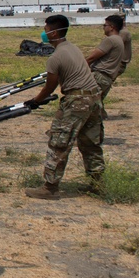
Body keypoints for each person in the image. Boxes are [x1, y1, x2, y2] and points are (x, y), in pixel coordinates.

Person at [23, 14, 105, 199]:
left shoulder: (56, 56)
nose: (44, 33)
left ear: (53, 32)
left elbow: (50, 86)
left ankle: (50, 187)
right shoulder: (73, 48)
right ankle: (98, 184)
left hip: (77, 101)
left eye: (46, 30)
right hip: (93, 97)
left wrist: (35, 100)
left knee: (59, 142)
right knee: (90, 142)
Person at [84, 15, 125, 107]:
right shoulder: (119, 39)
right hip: (107, 78)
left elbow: (92, 58)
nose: (103, 28)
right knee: (96, 104)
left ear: (111, 27)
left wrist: (80, 68)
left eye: (105, 25)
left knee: (86, 101)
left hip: (100, 76)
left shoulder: (110, 40)